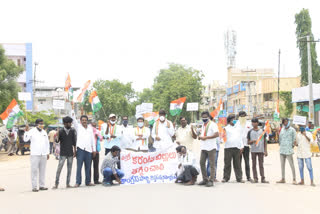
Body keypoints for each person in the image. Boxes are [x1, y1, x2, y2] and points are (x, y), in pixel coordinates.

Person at [71, 103, 96, 187]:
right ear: (81, 121)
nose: (84, 121)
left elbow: (93, 139)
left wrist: (94, 150)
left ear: (87, 121)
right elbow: (73, 119)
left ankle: (88, 181)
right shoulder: (78, 127)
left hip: (89, 150)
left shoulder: (90, 128)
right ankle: (78, 182)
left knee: (88, 167)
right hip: (80, 149)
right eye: (83, 120)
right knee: (79, 167)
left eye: (85, 120)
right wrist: (72, 108)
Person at [24, 119, 50, 192]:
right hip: (35, 154)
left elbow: (47, 143)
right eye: (40, 123)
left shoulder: (44, 132)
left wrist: (47, 152)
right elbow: (25, 139)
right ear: (36, 124)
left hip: (43, 154)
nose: (41, 125)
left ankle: (42, 185)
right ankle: (34, 187)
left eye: (42, 123)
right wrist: (26, 131)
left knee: (42, 171)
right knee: (34, 171)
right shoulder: (31, 131)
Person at [53, 116, 77, 189]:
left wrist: (74, 151)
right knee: (59, 168)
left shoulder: (73, 131)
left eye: (70, 123)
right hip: (63, 153)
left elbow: (74, 142)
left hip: (70, 152)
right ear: (64, 123)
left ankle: (68, 183)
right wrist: (57, 135)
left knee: (69, 169)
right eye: (68, 123)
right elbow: (57, 141)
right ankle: (56, 184)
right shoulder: (60, 131)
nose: (70, 124)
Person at [198, 111, 219, 187]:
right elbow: (203, 134)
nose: (204, 118)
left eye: (205, 117)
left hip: (211, 147)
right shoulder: (203, 125)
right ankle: (205, 179)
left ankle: (211, 180)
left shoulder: (212, 124)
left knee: (212, 165)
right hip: (203, 147)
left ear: (209, 117)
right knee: (201, 162)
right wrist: (200, 137)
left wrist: (206, 137)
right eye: (203, 117)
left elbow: (217, 134)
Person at [222, 114, 244, 183]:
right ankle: (226, 178)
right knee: (227, 164)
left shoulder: (238, 128)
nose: (234, 120)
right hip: (228, 148)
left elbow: (240, 137)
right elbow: (223, 138)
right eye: (232, 119)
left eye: (235, 119)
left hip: (237, 147)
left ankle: (239, 178)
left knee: (237, 164)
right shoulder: (226, 128)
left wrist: (242, 146)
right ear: (229, 120)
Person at [247, 118, 269, 183]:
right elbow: (248, 142)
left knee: (261, 165)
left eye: (254, 122)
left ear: (257, 123)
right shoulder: (250, 132)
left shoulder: (262, 131)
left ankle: (263, 178)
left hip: (260, 150)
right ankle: (255, 178)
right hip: (253, 150)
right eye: (252, 122)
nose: (253, 124)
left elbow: (265, 141)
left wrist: (265, 150)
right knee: (254, 165)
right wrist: (252, 141)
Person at [277, 118, 297, 185]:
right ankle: (283, 178)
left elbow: (294, 139)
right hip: (282, 150)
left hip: (289, 150)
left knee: (292, 165)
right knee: (282, 165)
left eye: (286, 121)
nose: (285, 123)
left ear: (288, 122)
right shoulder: (282, 130)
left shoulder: (292, 130)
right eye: (284, 122)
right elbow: (280, 139)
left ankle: (294, 179)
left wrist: (292, 146)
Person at [236, 111, 252, 182]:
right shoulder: (236, 124)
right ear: (239, 117)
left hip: (246, 145)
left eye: (244, 116)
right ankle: (240, 177)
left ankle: (248, 177)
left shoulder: (249, 124)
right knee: (239, 162)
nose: (243, 117)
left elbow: (251, 133)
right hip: (239, 146)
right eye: (241, 116)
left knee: (247, 162)